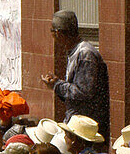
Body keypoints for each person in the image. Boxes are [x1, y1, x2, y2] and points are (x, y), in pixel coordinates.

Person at [42, 9, 110, 143]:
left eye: (52, 32)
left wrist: (56, 85)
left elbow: (83, 92)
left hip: (85, 128)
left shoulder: (85, 54)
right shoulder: (75, 52)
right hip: (76, 124)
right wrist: (57, 85)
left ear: (58, 33)